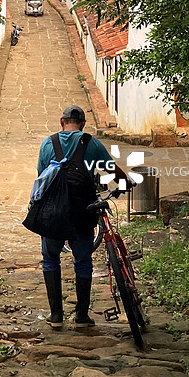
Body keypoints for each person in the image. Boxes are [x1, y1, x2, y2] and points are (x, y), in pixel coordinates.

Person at [37, 104, 132, 329]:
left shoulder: (48, 143)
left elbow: (41, 177)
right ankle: (81, 316)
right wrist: (125, 181)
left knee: (50, 258)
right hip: (83, 212)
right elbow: (111, 170)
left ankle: (56, 315)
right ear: (82, 124)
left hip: (54, 215)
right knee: (83, 261)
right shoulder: (91, 143)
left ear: (62, 122)